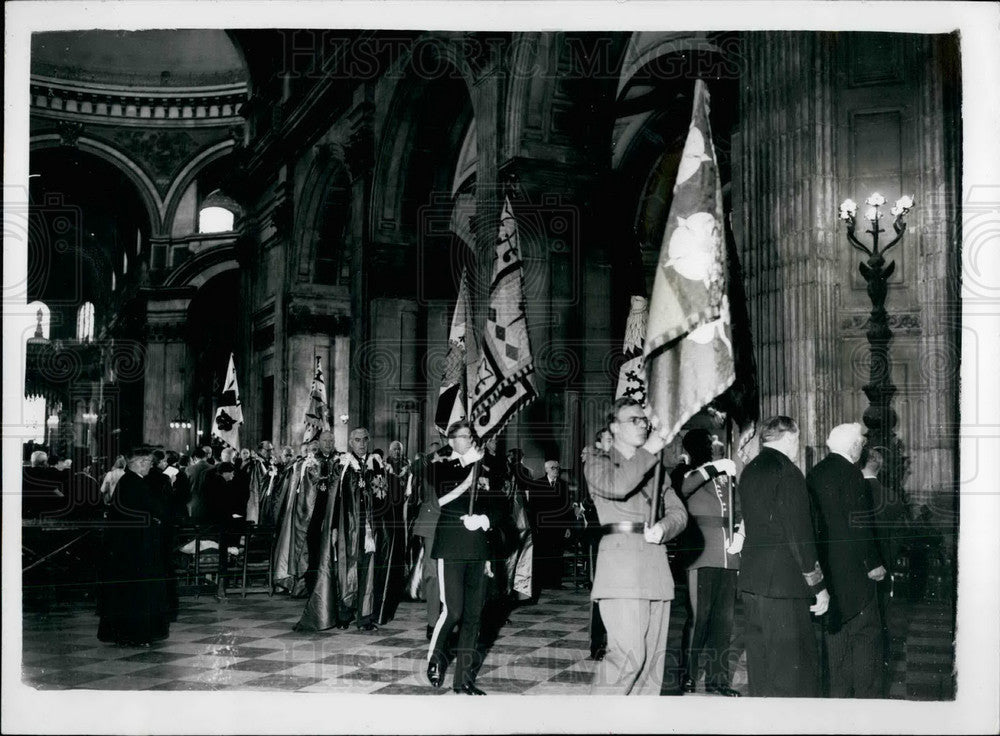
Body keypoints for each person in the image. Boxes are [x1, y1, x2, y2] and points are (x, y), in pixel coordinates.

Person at [584, 397, 689, 695]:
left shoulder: (656, 470)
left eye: (644, 420)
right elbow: (618, 485)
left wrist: (664, 528)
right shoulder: (597, 460)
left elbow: (679, 513)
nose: (643, 424)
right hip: (621, 573)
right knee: (628, 658)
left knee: (651, 671)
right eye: (634, 420)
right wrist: (650, 450)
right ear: (614, 427)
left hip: (655, 569)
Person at [738, 415, 830, 697]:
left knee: (761, 665)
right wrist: (818, 587)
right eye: (797, 439)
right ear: (790, 438)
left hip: (752, 582)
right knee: (793, 670)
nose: (797, 445)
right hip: (784, 586)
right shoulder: (788, 472)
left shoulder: (750, 470)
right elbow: (799, 537)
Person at [425, 419, 505, 695]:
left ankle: (464, 680)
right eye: (462, 436)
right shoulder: (440, 466)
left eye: (471, 436)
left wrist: (485, 519)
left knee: (474, 616)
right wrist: (471, 472)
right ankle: (435, 659)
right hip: (452, 546)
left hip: (479, 547)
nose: (468, 440)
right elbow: (443, 499)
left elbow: (499, 505)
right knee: (454, 610)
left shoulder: (487, 468)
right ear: (451, 441)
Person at [807, 423, 886, 698]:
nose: (861, 449)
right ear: (853, 447)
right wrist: (874, 563)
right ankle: (866, 702)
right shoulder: (852, 474)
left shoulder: (815, 473)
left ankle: (838, 703)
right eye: (861, 445)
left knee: (836, 638)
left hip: (827, 572)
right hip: (855, 571)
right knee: (866, 636)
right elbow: (859, 526)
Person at [677, 428, 743, 697]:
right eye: (710, 443)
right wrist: (714, 468)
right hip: (701, 552)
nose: (716, 445)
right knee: (699, 618)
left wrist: (740, 533)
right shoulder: (689, 473)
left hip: (728, 554)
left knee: (723, 622)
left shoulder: (728, 478)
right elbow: (685, 488)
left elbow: (737, 508)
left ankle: (718, 680)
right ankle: (688, 676)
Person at [97, 446, 171, 646]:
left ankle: (132, 633)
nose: (150, 465)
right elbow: (150, 508)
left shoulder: (131, 481)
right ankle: (133, 634)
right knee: (135, 592)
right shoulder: (133, 482)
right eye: (147, 462)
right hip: (134, 548)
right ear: (137, 463)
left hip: (132, 545)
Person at [859, 445, 906, 696]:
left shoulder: (848, 492)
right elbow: (899, 538)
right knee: (881, 624)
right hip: (882, 571)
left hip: (853, 572)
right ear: (881, 466)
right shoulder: (891, 498)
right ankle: (878, 680)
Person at [580, 427, 612, 660]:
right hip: (599, 535)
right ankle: (598, 643)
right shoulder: (594, 466)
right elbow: (590, 501)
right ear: (599, 444)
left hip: (619, 537)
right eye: (609, 439)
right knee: (600, 590)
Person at [529, 459, 574, 590]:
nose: (556, 470)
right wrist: (534, 525)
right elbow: (533, 507)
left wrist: (567, 527)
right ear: (546, 469)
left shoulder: (564, 485)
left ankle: (555, 582)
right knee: (543, 554)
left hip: (559, 527)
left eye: (558, 468)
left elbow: (567, 507)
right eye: (553, 468)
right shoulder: (537, 484)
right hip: (542, 527)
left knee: (557, 554)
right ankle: (542, 582)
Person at [185, 447, 211, 518]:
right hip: (209, 501)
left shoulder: (189, 469)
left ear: (195, 457)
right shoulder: (213, 467)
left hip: (193, 501)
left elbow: (186, 486)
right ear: (205, 456)